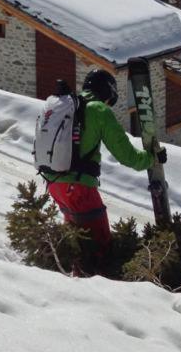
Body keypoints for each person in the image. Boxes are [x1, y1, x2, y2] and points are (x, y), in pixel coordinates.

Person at [40, 69, 167, 270]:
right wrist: (153, 159)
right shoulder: (99, 110)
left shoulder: (67, 106)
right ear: (108, 93)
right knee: (99, 248)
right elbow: (128, 157)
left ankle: (71, 284)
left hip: (55, 184)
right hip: (79, 187)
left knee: (77, 244)